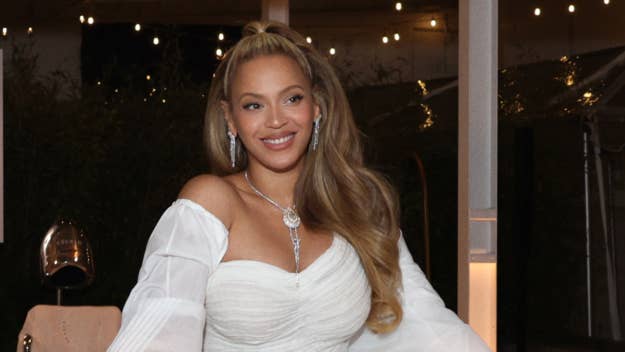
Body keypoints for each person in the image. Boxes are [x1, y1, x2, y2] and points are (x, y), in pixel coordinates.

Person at [107, 21, 490, 351]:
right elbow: (160, 328)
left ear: (317, 106)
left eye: (291, 98)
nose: (276, 121)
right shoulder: (210, 202)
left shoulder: (358, 204)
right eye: (254, 105)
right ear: (230, 119)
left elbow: (426, 323)